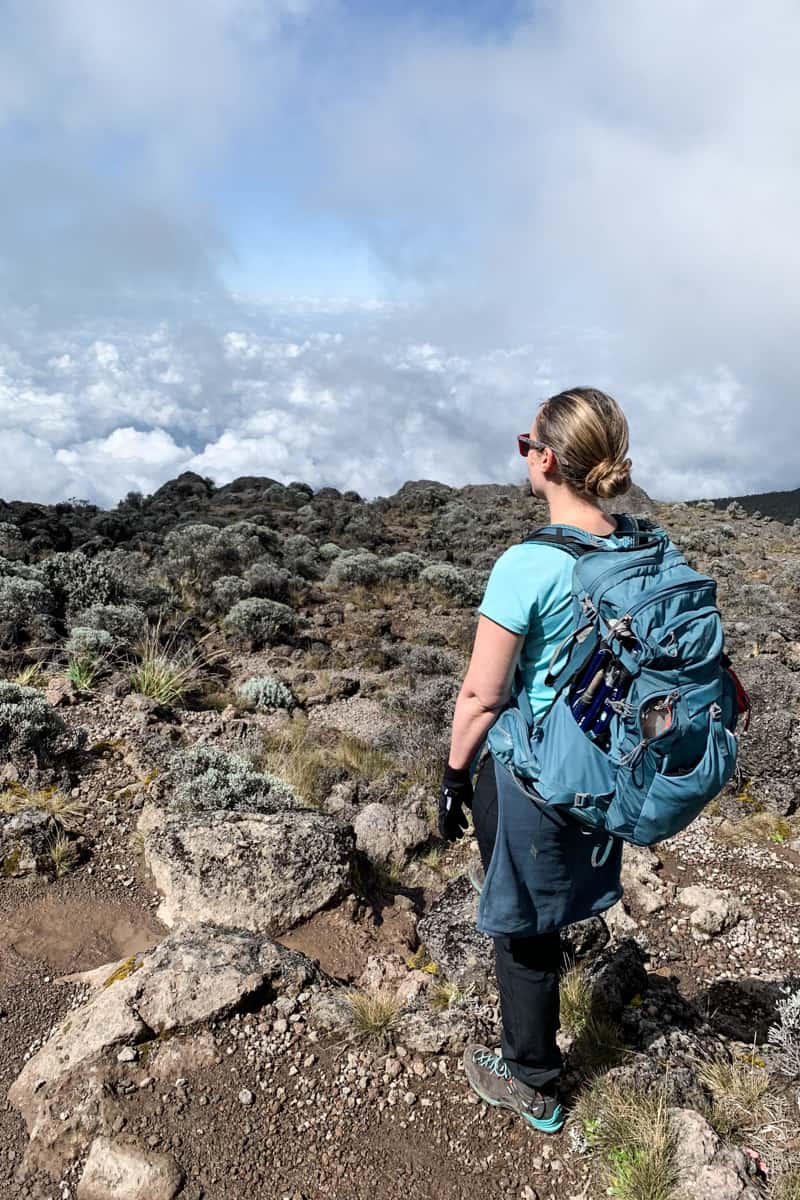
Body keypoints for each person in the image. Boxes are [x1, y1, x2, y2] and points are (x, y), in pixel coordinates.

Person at [438, 387, 636, 1135]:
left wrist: (456, 774)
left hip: (537, 773)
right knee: (549, 907)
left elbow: (482, 698)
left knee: (522, 927)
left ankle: (532, 1080)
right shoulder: (640, 543)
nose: (523, 454)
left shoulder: (529, 564)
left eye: (527, 444)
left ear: (547, 459)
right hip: (609, 762)